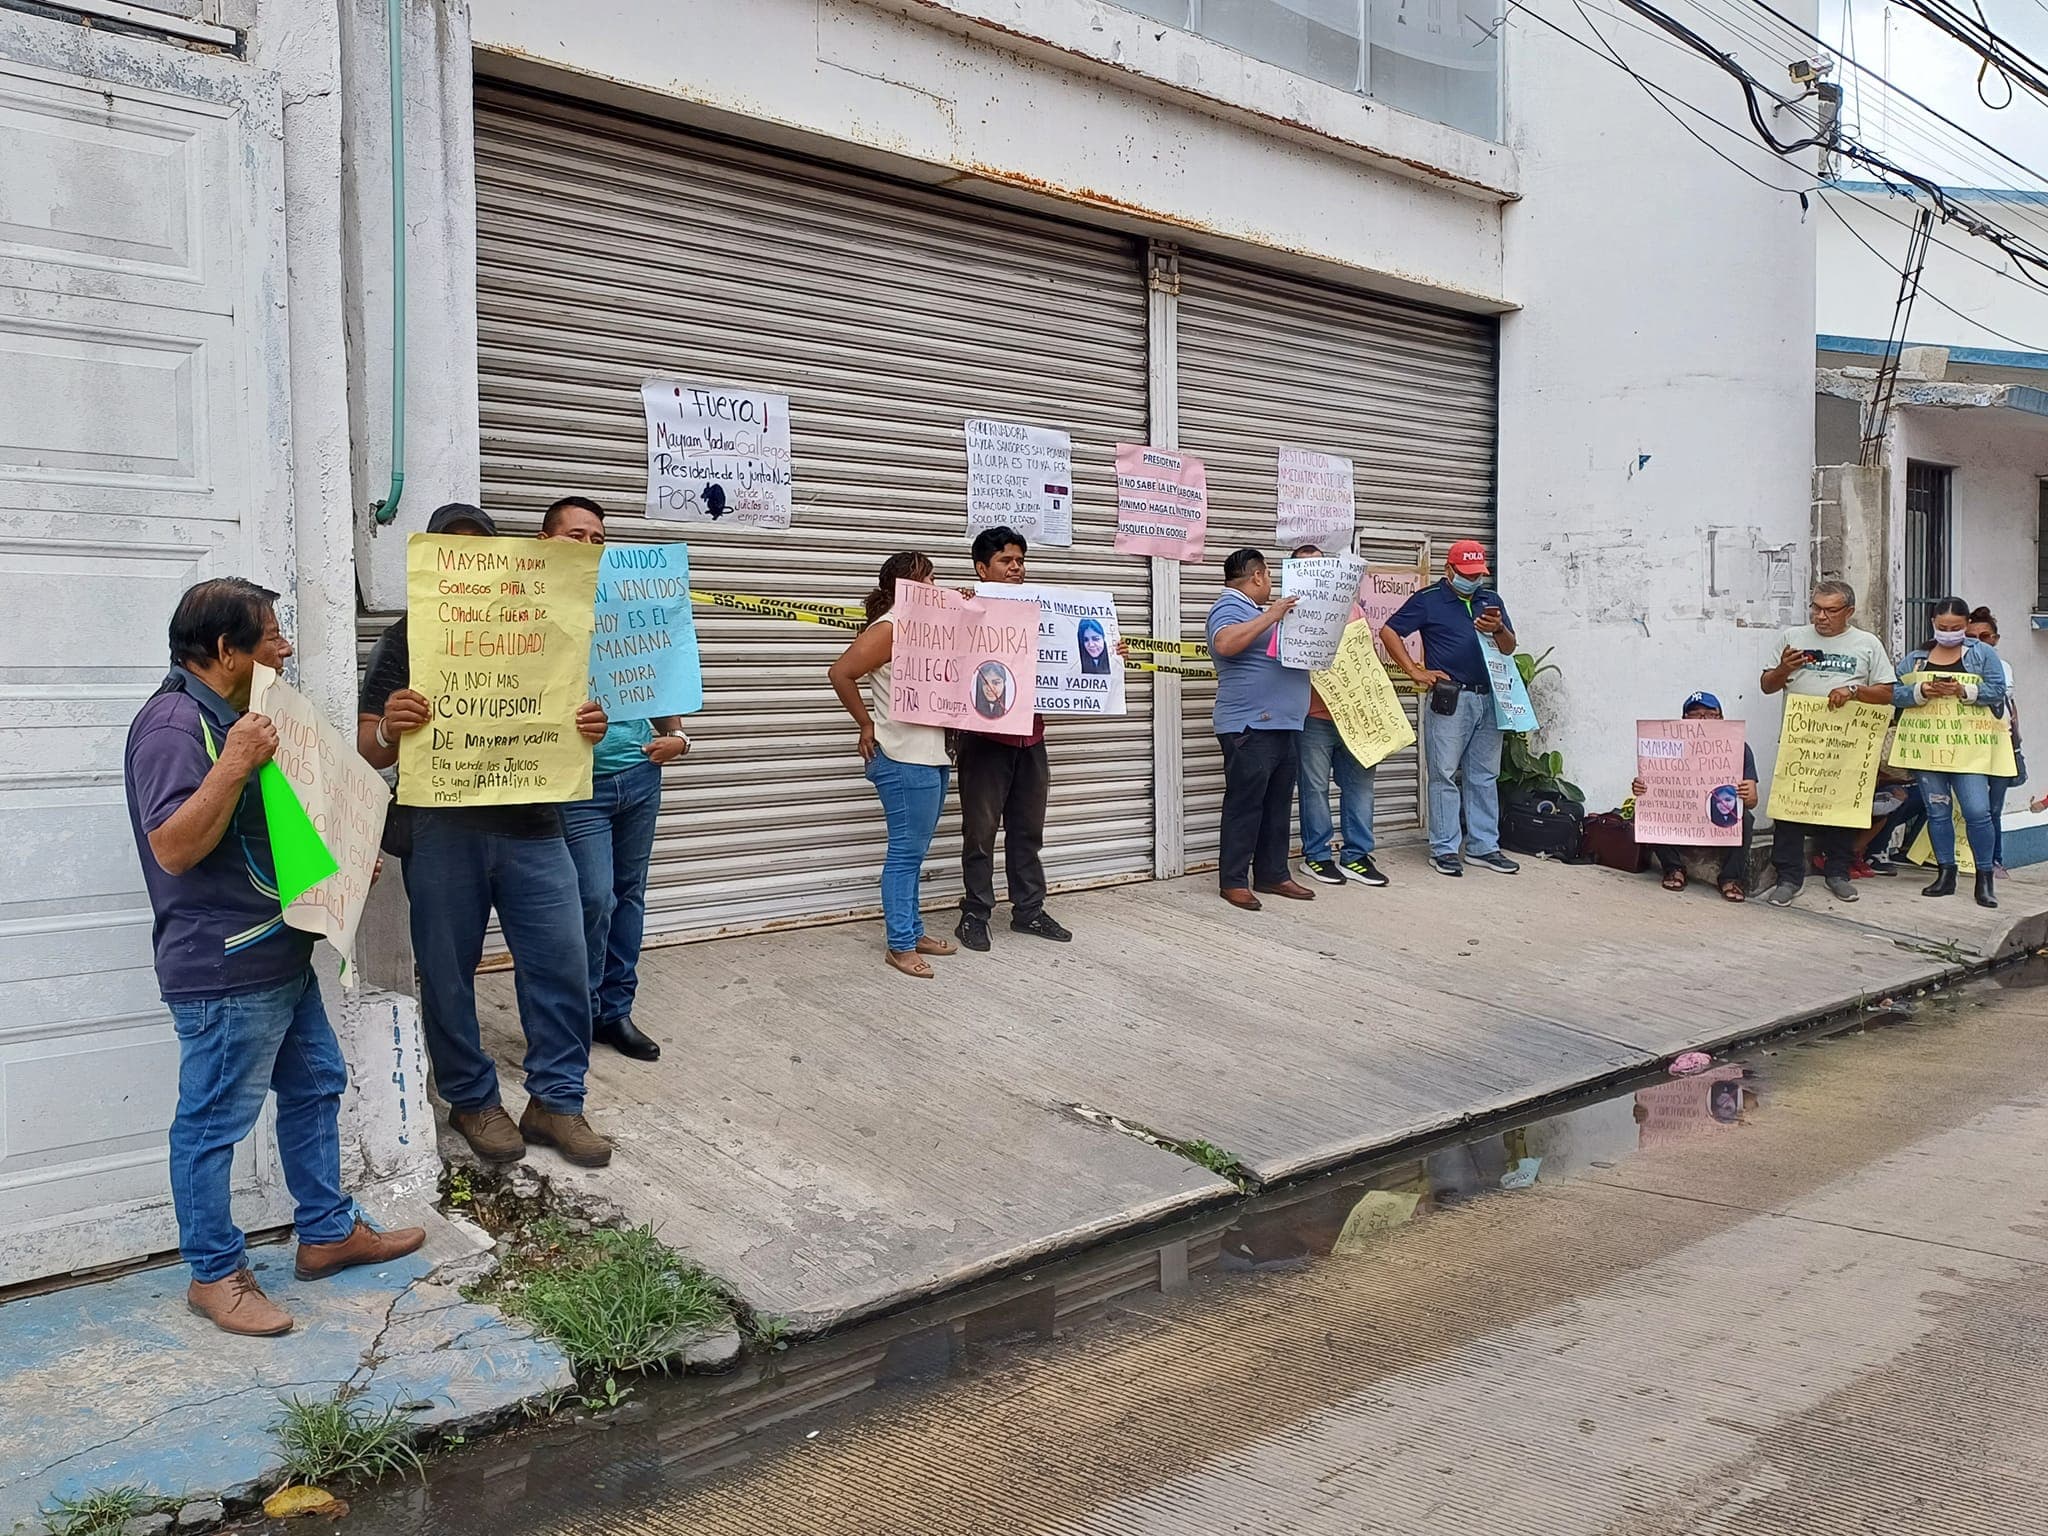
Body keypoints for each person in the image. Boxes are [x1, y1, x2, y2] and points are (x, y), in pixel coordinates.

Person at [126, 578, 424, 1337]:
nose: (285, 648)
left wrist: (345, 858)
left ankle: (326, 1231)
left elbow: (271, 830)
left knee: (318, 1083)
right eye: (270, 637)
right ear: (226, 650)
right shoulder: (172, 726)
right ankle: (215, 1273)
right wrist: (232, 763)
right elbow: (173, 848)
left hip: (278, 953)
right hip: (224, 968)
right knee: (212, 1124)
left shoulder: (238, 717)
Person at [358, 503, 616, 1169]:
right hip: (444, 829)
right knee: (447, 972)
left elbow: (574, 718)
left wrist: (590, 726)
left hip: (535, 826)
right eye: (453, 556)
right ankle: (472, 1098)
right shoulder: (409, 635)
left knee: (562, 963)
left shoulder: (547, 628)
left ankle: (557, 1101)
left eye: (479, 555)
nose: (466, 568)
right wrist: (390, 726)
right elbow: (368, 748)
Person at [542, 497, 692, 1063]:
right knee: (592, 899)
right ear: (545, 542)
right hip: (579, 786)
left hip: (638, 775)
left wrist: (678, 736)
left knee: (628, 897)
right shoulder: (527, 609)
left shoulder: (628, 600)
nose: (588, 547)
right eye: (575, 536)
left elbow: (657, 672)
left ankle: (615, 1012)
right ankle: (574, 1015)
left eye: (598, 538)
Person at [828, 551, 957, 978]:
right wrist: (865, 723)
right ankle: (900, 945)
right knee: (904, 854)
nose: (935, 588)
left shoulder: (927, 627)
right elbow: (841, 672)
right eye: (929, 580)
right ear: (907, 585)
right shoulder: (890, 629)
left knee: (914, 852)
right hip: (903, 756)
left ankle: (912, 930)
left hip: (930, 754)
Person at [952, 527, 1073, 951]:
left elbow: (1068, 658)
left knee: (1028, 830)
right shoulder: (964, 614)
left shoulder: (1045, 613)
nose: (1016, 568)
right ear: (982, 568)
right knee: (980, 832)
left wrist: (1106, 660)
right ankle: (975, 913)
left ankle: (1029, 911)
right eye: (1006, 561)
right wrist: (959, 612)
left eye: (1020, 561)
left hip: (1030, 737)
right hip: (985, 739)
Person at [1381, 539, 1521, 878]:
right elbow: (1389, 631)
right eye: (1466, 574)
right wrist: (1415, 670)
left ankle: (1483, 847)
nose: (1473, 580)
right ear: (1449, 570)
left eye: (1478, 574)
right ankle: (1444, 848)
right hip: (1451, 697)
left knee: (1484, 775)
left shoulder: (1491, 601)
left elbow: (1509, 648)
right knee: (1443, 773)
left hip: (1490, 697)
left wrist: (1499, 628)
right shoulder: (1429, 600)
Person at [1758, 579, 1897, 907]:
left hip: (1846, 745)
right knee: (1789, 811)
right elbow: (1767, 685)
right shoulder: (1792, 639)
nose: (1821, 616)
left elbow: (1887, 692)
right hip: (1801, 740)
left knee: (1842, 808)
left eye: (1831, 610)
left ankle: (1838, 872)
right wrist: (1783, 669)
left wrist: (1853, 691)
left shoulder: (1867, 644)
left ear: (1848, 611)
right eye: (1816, 608)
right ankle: (1789, 877)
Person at [1208, 548, 1317, 910]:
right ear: (1257, 576)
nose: (1270, 584)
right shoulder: (1230, 607)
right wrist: (1271, 615)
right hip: (1251, 726)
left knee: (1277, 805)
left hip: (1283, 724)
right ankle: (1234, 881)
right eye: (1268, 576)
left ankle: (1273, 874)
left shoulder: (1259, 613)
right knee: (1246, 804)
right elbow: (1224, 643)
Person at [1893, 596, 2008, 908]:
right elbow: (1895, 692)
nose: (1949, 632)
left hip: (1970, 750)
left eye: (1956, 627)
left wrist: (1965, 691)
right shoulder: (1917, 658)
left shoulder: (1982, 654)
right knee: (1937, 812)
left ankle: (1984, 877)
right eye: (1943, 627)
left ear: (1967, 625)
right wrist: (1921, 691)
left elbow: (1999, 689)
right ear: (1933, 624)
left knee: (1977, 812)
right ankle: (1946, 873)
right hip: (1929, 749)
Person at [1288, 543, 1387, 888]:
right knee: (1314, 789)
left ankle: (1357, 856)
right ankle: (1316, 856)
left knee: (1360, 787)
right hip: (1312, 716)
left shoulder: (1353, 609)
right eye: (1304, 568)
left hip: (1355, 718)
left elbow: (1367, 661)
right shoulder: (1287, 612)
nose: (1313, 574)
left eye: (1319, 567)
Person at [1629, 691, 1757, 902]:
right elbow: (1654, 785)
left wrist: (1747, 794)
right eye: (1695, 715)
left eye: (1709, 714)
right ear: (1684, 720)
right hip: (1683, 812)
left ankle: (1730, 878)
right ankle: (1673, 868)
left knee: (1747, 818)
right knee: (1645, 809)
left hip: (1717, 814)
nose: (1702, 720)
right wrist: (1642, 789)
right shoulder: (1669, 745)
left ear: (1721, 718)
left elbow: (1752, 801)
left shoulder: (1739, 748)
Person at [1967, 607, 2023, 874]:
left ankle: (1994, 860)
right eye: (1971, 636)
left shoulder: (2002, 667)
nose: (1978, 641)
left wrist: (1967, 689)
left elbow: (2000, 691)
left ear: (1995, 639)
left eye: (1984, 635)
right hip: (1967, 747)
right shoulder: (1956, 662)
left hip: (1999, 746)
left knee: (1993, 808)